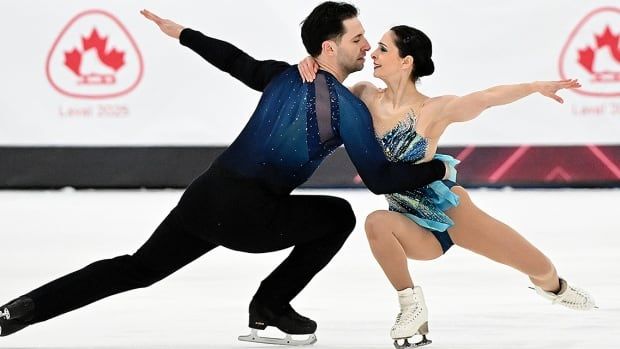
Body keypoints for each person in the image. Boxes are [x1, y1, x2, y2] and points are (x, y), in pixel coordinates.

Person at [0, 3, 454, 345]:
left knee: (137, 268)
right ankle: (271, 303)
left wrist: (183, 34)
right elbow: (380, 180)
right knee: (338, 216)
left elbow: (233, 61)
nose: (366, 46)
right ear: (329, 47)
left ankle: (23, 310)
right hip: (251, 217)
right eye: (358, 38)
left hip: (205, 198)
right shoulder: (348, 110)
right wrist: (439, 166)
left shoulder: (283, 75)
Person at [298, 25, 596, 347]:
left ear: (406, 61)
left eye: (383, 49)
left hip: (454, 214)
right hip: (409, 223)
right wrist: (310, 61)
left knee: (541, 268)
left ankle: (556, 288)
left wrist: (535, 86)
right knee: (376, 223)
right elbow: (324, 87)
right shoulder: (364, 95)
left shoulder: (434, 110)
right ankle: (411, 308)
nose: (373, 53)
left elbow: (486, 98)